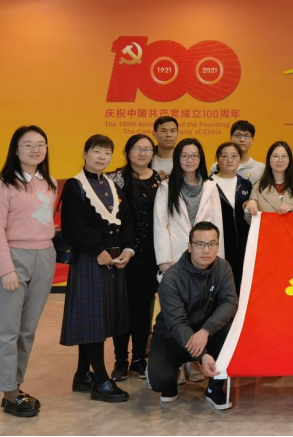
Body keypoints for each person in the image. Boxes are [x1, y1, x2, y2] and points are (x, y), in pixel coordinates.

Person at [0, 126, 57, 417]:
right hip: (14, 258)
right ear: (15, 150)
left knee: (27, 330)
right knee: (7, 330)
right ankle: (8, 391)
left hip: (45, 257)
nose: (35, 149)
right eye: (28, 144)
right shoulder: (2, 185)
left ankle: (15, 386)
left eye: (41, 144)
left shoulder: (49, 182)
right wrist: (6, 270)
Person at [59, 134, 135, 403]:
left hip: (114, 260)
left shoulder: (113, 185)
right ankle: (101, 381)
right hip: (91, 259)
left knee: (100, 318)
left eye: (107, 153)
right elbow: (74, 225)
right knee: (92, 321)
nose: (102, 157)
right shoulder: (75, 185)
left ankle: (82, 375)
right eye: (96, 151)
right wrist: (98, 250)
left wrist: (128, 248)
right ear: (85, 153)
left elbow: (127, 221)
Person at [154, 138, 225, 385]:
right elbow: (161, 224)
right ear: (178, 159)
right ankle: (177, 361)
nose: (190, 160)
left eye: (194, 156)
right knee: (177, 312)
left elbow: (217, 224)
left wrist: (218, 258)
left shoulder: (210, 186)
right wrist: (165, 261)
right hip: (176, 258)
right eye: (184, 155)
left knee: (201, 310)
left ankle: (193, 360)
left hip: (205, 257)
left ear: (201, 159)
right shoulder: (166, 187)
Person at [146, 222, 238, 410]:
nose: (207, 250)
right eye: (200, 244)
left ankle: (214, 389)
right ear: (189, 247)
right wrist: (202, 355)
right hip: (173, 338)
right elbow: (177, 324)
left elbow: (230, 302)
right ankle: (170, 380)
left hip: (206, 334)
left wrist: (206, 331)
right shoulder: (171, 278)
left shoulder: (223, 267)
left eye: (212, 244)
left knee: (230, 330)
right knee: (160, 381)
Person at [107, 134, 163, 382]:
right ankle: (120, 360)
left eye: (147, 149)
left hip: (150, 255)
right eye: (137, 149)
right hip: (122, 254)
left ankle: (139, 359)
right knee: (121, 308)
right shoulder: (115, 179)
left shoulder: (160, 180)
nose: (142, 153)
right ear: (127, 151)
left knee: (143, 309)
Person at [212, 142, 252, 292]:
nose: (229, 160)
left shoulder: (246, 185)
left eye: (234, 156)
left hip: (244, 246)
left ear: (240, 159)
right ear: (217, 159)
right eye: (225, 156)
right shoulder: (208, 184)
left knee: (242, 286)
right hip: (219, 245)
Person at [246, 141, 293, 217]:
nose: (280, 160)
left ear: (289, 160)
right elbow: (250, 220)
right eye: (275, 156)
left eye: (284, 156)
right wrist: (249, 207)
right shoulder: (259, 186)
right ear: (269, 160)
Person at [210, 120, 266, 185]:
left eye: (246, 136)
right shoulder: (218, 166)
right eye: (238, 135)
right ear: (231, 138)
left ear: (252, 140)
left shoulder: (261, 168)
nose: (242, 139)